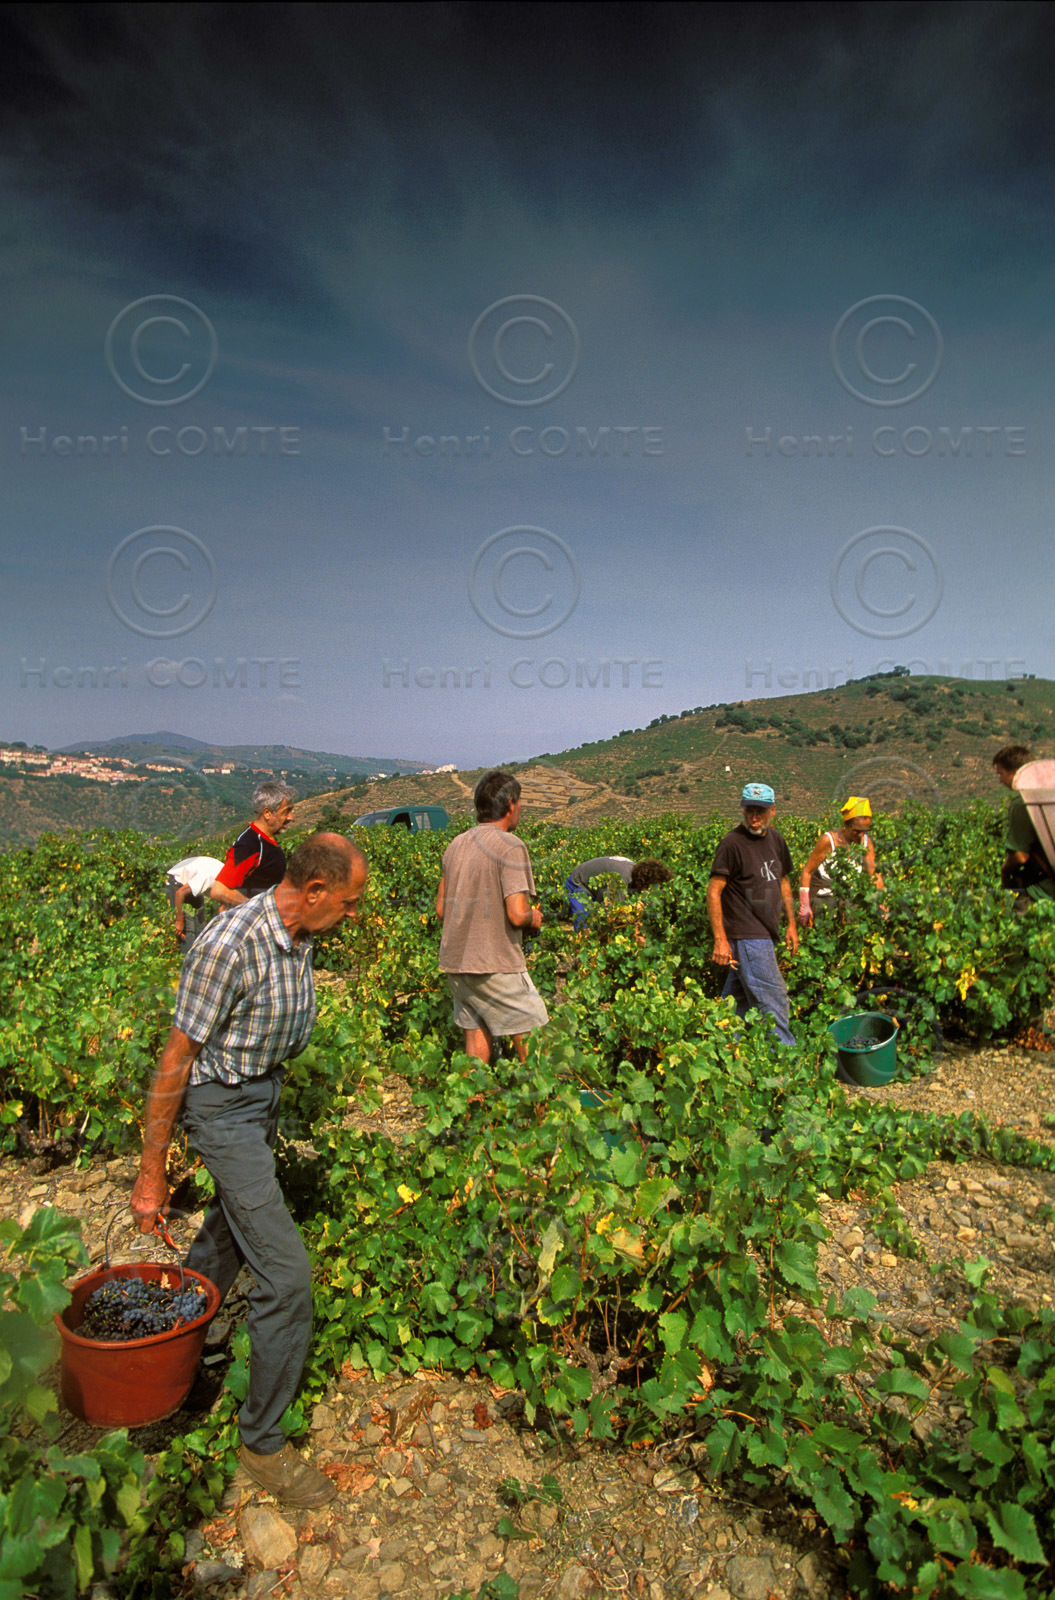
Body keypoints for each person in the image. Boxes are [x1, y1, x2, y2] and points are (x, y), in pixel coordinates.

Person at [130, 833, 368, 1508]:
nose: (353, 914)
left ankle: (175, 1365)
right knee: (287, 1277)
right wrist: (151, 1175)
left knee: (226, 1240)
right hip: (223, 1110)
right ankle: (262, 1443)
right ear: (314, 891)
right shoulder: (230, 943)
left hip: (260, 1098)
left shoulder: (299, 931)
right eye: (348, 902)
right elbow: (176, 1059)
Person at [436, 770, 548, 1066]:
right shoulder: (510, 845)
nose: (521, 807)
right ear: (510, 803)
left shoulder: (456, 845)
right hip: (494, 964)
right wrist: (533, 917)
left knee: (476, 1045)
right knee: (537, 1046)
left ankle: (472, 1096)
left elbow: (441, 910)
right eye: (520, 801)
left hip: (456, 963)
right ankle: (544, 1098)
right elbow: (517, 914)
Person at [707, 782, 797, 1047]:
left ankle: (723, 1052)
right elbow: (713, 892)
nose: (754, 818)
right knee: (774, 1000)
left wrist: (791, 924)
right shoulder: (732, 843)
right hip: (747, 934)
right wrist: (720, 939)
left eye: (760, 811)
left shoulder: (776, 840)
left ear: (773, 811)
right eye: (749, 811)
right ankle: (786, 1059)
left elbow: (783, 881)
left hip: (766, 932)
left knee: (735, 1006)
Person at [797, 797, 884, 925]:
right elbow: (807, 872)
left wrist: (882, 902)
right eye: (857, 831)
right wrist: (804, 905)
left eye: (865, 831)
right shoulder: (829, 840)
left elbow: (873, 875)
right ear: (846, 825)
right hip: (824, 897)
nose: (861, 835)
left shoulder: (866, 843)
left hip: (851, 898)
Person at [210, 783, 296, 909]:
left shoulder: (266, 840)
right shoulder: (249, 845)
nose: (291, 817)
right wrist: (258, 908)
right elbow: (219, 890)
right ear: (267, 813)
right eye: (286, 811)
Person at [992, 746, 1055, 913]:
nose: (1000, 780)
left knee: (1015, 921)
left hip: (1043, 892)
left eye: (1001, 773)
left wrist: (1004, 871)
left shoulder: (1022, 804)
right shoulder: (1050, 796)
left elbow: (1020, 856)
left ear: (1015, 772)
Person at [564, 856, 671, 930]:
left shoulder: (636, 873)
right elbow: (611, 913)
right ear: (644, 882)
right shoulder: (621, 880)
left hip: (596, 885)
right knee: (584, 928)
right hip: (578, 881)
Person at [164, 854, 224, 951]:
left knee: (201, 925)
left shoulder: (226, 879)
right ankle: (187, 957)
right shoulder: (209, 877)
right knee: (188, 928)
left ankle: (199, 954)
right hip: (177, 884)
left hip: (191, 883)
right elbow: (179, 893)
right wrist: (179, 921)